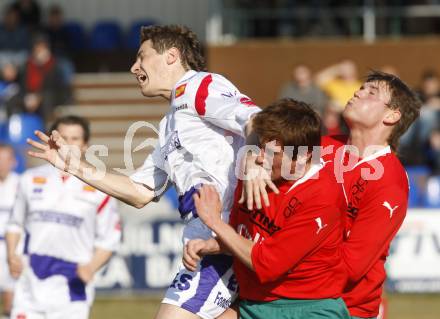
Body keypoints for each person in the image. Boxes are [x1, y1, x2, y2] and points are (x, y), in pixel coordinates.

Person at [27, 25, 266, 319]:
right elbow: (140, 192)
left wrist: (253, 161)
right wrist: (74, 166)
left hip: (221, 240)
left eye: (142, 57)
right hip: (207, 244)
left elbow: (256, 118)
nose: (133, 67)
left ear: (171, 56)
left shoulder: (199, 86)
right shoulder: (169, 124)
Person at [183, 99, 350, 319]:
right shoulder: (255, 175)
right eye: (259, 147)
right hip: (254, 304)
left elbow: (267, 263)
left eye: (272, 153)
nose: (260, 157)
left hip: (308, 308)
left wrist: (214, 223)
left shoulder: (322, 195)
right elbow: (240, 236)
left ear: (304, 156)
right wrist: (209, 245)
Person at [321, 71, 422, 319]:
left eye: (371, 92)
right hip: (293, 296)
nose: (357, 92)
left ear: (392, 115)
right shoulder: (322, 146)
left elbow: (351, 268)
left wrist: (278, 261)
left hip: (345, 308)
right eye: (361, 88)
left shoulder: (391, 181)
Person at [6, 115, 121, 319]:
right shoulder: (29, 179)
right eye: (63, 137)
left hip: (72, 285)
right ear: (52, 140)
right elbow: (15, 224)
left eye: (75, 139)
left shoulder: (100, 187)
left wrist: (90, 268)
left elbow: (110, 239)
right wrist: (11, 255)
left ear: (85, 145)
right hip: (31, 282)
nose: (67, 144)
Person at [0, 144, 19, 319]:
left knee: (11, 288)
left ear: (13, 162)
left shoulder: (21, 184)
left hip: (11, 245)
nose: (1, 164)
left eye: (5, 160)